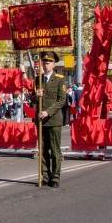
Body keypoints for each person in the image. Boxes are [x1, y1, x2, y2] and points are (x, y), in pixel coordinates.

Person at [32, 51, 67, 187]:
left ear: (53, 64)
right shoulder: (37, 79)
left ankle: (55, 177)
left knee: (55, 150)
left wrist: (47, 112)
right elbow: (32, 100)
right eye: (44, 62)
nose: (46, 65)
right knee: (43, 150)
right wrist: (36, 95)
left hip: (53, 120)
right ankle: (45, 176)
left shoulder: (59, 79)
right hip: (40, 121)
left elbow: (62, 100)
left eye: (48, 63)